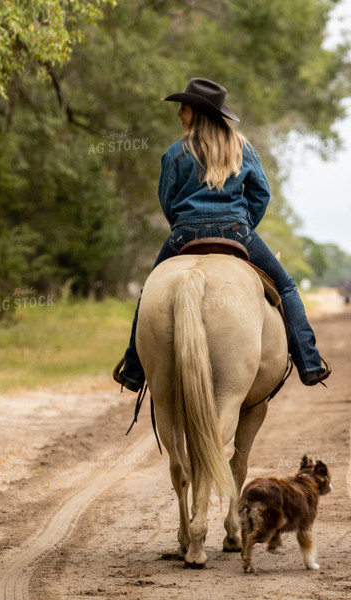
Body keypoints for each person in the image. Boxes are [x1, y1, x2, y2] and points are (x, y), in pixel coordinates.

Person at [113, 78, 331, 392]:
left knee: (150, 292)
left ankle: (134, 371)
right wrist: (243, 224)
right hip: (236, 231)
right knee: (285, 286)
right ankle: (309, 362)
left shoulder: (174, 153)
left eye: (183, 108)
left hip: (184, 234)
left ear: (197, 112)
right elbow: (262, 194)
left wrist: (185, 225)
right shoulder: (241, 147)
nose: (180, 115)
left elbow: (167, 201)